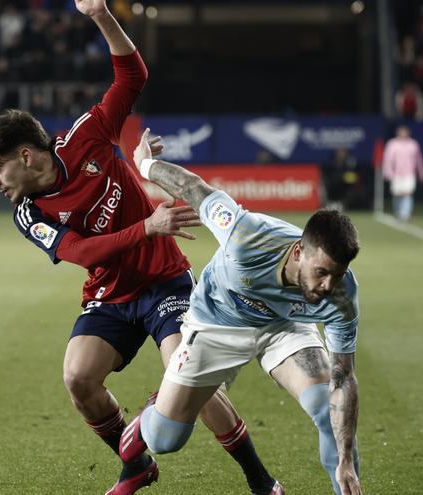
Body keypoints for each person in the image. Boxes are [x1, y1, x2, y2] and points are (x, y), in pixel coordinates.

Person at [0, 2, 282, 495]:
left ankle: (261, 481)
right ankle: (135, 465)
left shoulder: (86, 136)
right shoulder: (29, 212)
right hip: (109, 294)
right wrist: (147, 226)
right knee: (78, 379)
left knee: (190, 375)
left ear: (24, 156)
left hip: (165, 282)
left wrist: (99, 15)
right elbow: (85, 254)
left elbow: (132, 74)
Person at [119, 128, 364, 495]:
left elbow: (343, 381)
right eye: (321, 273)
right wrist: (145, 164)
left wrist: (346, 456)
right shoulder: (247, 236)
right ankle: (149, 419)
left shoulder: (341, 293)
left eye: (337, 275)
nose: (328, 286)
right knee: (166, 440)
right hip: (218, 321)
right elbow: (193, 188)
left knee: (325, 406)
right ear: (299, 252)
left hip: (284, 326)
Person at [382, 125, 423, 221]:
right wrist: (388, 172)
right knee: (397, 193)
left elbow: (418, 160)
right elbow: (388, 160)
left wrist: (422, 172)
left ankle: (405, 214)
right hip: (396, 174)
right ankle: (398, 211)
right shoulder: (392, 144)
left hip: (409, 174)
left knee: (408, 193)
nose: (403, 134)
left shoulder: (413, 144)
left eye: (405, 132)